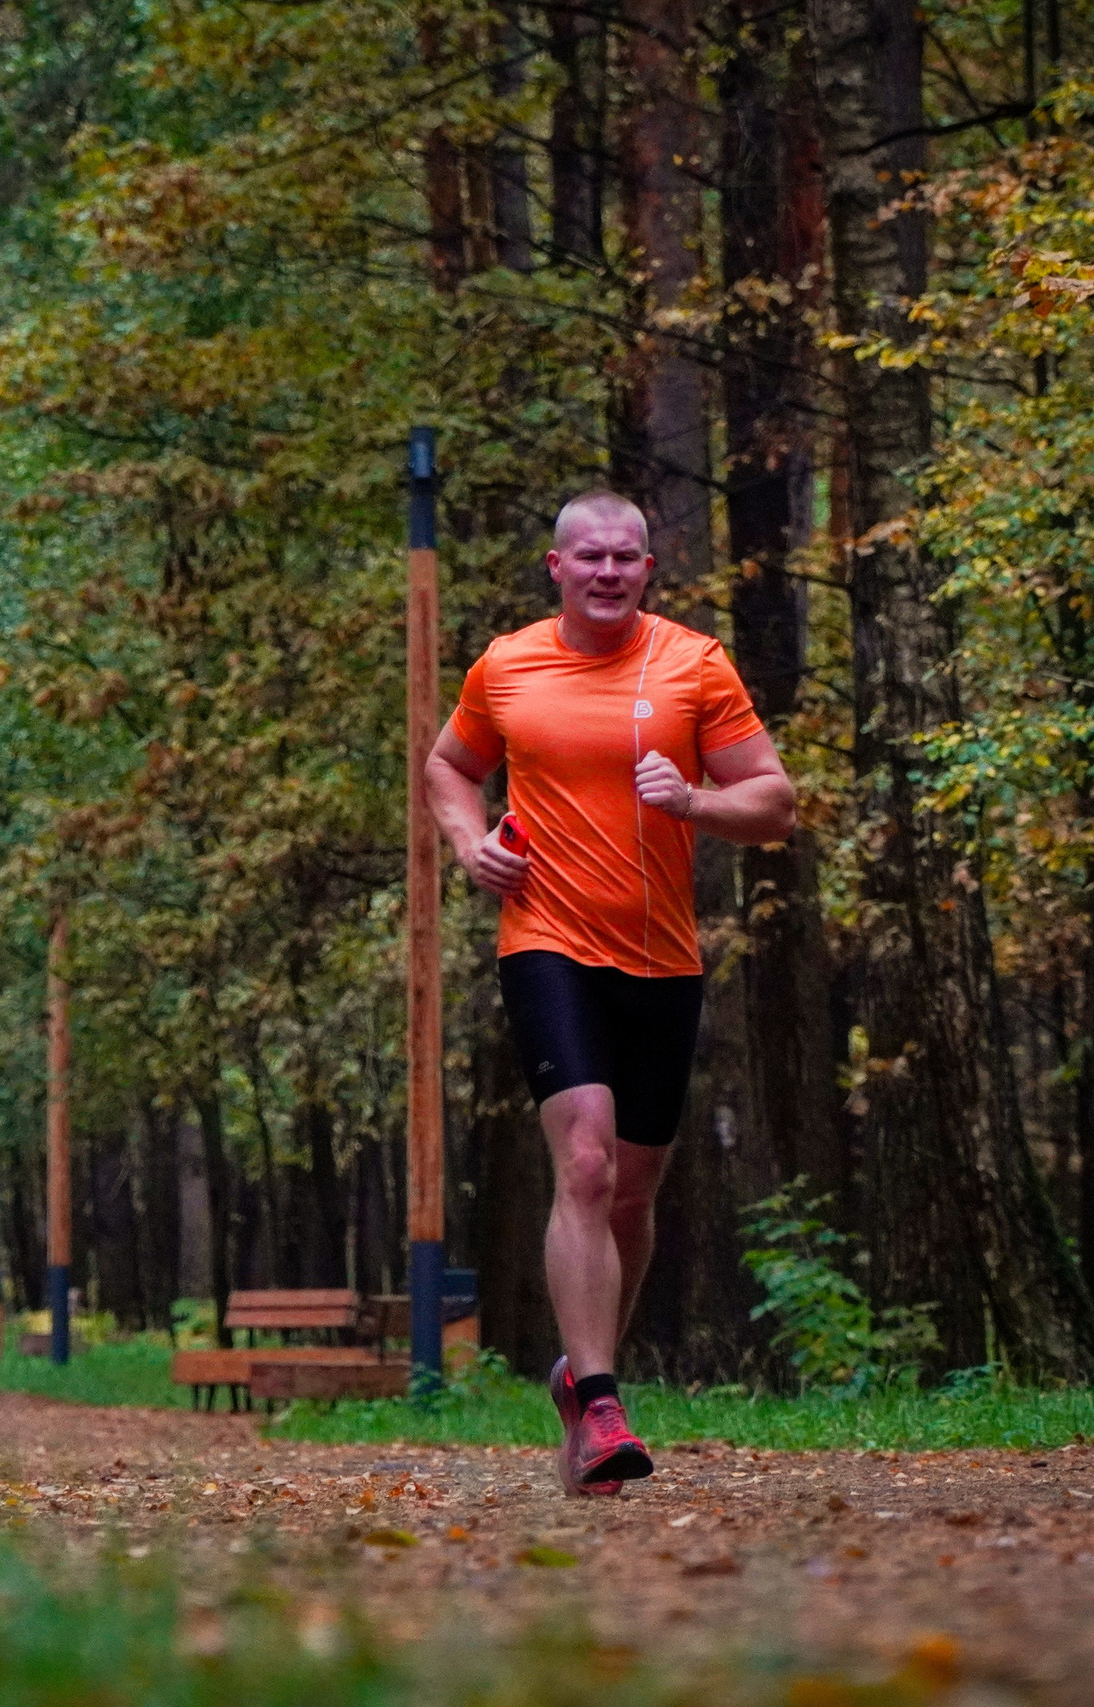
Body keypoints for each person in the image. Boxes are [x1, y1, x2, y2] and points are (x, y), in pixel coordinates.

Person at [424, 489, 798, 1496]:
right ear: (555, 567)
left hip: (661, 959)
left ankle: (577, 1377)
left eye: (624, 558)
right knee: (583, 1159)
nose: (605, 573)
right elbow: (450, 766)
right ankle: (599, 1402)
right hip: (546, 941)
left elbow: (774, 802)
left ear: (646, 568)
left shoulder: (692, 664)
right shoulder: (507, 664)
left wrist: (697, 802)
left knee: (633, 1191)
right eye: (586, 557)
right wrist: (471, 845)